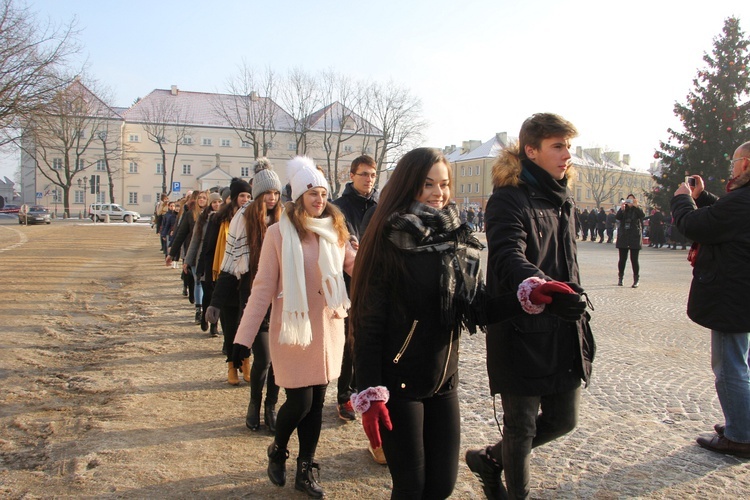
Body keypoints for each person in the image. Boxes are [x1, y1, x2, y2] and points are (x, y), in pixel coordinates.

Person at [465, 113, 594, 499]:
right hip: (522, 326)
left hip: (564, 325)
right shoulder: (507, 199)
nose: (567, 154)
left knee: (562, 420)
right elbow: (506, 255)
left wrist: (565, 298)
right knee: (520, 428)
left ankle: (489, 459)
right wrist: (540, 287)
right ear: (531, 150)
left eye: (569, 146)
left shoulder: (563, 198)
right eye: (558, 146)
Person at [349, 147, 485, 498]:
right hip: (399, 383)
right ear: (409, 185)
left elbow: (476, 304)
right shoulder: (389, 239)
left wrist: (528, 297)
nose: (438, 194)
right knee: (411, 488)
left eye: (444, 184)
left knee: (442, 487)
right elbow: (367, 321)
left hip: (444, 380)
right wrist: (370, 390)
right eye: (428, 185)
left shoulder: (457, 239)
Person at [233, 156, 355, 498]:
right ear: (298, 196)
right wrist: (243, 338)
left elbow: (356, 268)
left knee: (316, 405)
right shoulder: (277, 234)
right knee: (299, 403)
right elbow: (262, 289)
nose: (319, 200)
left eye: (323, 193)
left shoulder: (336, 231)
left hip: (328, 331)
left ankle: (306, 469)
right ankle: (278, 449)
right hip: (294, 332)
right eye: (312, 193)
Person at [671, 142, 750, 459]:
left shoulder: (743, 201)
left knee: (729, 366)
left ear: (745, 164)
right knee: (739, 361)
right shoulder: (742, 201)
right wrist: (702, 198)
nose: (731, 168)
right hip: (741, 293)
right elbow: (724, 217)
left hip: (734, 294)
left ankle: (740, 436)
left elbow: (695, 225)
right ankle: (742, 421)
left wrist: (682, 201)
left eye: (734, 162)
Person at [210, 159, 283, 432]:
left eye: (276, 193)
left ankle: (271, 406)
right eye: (268, 193)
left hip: (283, 299)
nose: (273, 198)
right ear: (259, 194)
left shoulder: (285, 218)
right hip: (253, 297)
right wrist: (215, 302)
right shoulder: (243, 219)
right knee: (263, 358)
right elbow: (230, 264)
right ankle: (254, 403)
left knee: (278, 359)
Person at [331, 155, 379, 426]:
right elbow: (339, 237)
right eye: (363, 174)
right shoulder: (338, 207)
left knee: (370, 339)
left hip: (376, 281)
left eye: (372, 174)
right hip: (348, 282)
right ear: (351, 176)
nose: (368, 179)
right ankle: (343, 396)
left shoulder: (381, 204)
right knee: (349, 342)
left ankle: (365, 390)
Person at [204, 178, 252, 384]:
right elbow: (208, 249)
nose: (245, 199)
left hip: (245, 282)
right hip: (225, 278)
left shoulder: (253, 219)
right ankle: (232, 365)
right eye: (242, 196)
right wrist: (206, 278)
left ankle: (246, 361)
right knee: (230, 327)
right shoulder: (219, 220)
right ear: (232, 198)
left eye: (249, 196)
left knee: (247, 325)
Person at [185, 191, 223, 334]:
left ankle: (214, 325)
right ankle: (204, 318)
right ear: (210, 204)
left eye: (219, 202)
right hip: (205, 258)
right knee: (207, 293)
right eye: (214, 202)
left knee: (217, 294)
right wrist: (188, 261)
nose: (217, 205)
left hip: (220, 259)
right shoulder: (203, 219)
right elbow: (194, 240)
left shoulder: (226, 218)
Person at [615, 194, 645, 287]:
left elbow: (642, 215)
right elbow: (618, 217)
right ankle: (620, 278)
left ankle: (636, 280)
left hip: (634, 237)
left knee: (634, 260)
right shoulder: (624, 210)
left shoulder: (637, 210)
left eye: (632, 200)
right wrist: (622, 209)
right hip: (623, 236)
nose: (630, 202)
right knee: (622, 259)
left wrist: (636, 207)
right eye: (629, 200)